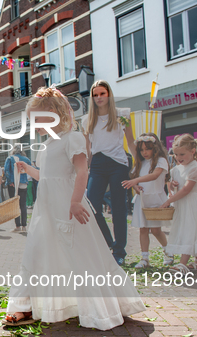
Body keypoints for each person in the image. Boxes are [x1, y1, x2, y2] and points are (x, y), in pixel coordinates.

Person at [4, 87, 145, 330]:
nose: (33, 125)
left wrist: (76, 201)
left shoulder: (73, 139)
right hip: (45, 209)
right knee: (37, 252)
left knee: (80, 254)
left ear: (55, 113)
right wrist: (28, 170)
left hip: (69, 206)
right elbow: (47, 177)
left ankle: (101, 306)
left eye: (36, 119)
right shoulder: (46, 146)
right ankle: (25, 305)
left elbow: (82, 172)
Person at [82, 80, 136, 265]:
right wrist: (83, 170)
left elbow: (130, 140)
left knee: (119, 208)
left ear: (109, 94)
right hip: (97, 163)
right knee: (91, 205)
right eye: (95, 95)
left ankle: (119, 250)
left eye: (102, 94)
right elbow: (87, 149)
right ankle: (108, 244)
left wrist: (138, 166)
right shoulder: (86, 119)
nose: (99, 98)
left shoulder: (122, 114)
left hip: (118, 163)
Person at [161, 134, 197, 273]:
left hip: (193, 203)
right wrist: (173, 185)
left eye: (182, 154)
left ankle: (182, 263)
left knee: (190, 230)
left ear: (192, 151)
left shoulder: (195, 168)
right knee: (189, 229)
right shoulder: (178, 169)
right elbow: (178, 186)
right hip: (183, 204)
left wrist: (169, 200)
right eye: (176, 154)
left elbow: (186, 189)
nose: (179, 157)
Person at [121, 134, 173, 268]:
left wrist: (136, 181)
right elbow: (134, 177)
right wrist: (135, 186)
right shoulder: (140, 163)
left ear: (155, 148)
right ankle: (145, 258)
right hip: (142, 199)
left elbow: (155, 175)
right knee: (143, 229)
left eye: (147, 149)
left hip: (155, 199)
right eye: (142, 150)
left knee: (156, 230)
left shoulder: (161, 160)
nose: (144, 152)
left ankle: (168, 251)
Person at [4, 145, 31, 232]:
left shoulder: (10, 158)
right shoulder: (26, 159)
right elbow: (30, 170)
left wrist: (11, 181)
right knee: (23, 205)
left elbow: (6, 170)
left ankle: (17, 226)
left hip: (13, 184)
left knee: (15, 205)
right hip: (23, 183)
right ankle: (24, 226)